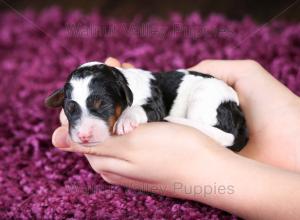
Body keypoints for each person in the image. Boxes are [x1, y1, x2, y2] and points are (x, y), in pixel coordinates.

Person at [52, 57, 300, 219]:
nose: (83, 131)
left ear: (123, 94)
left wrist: (205, 170)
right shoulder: (117, 89)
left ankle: (216, 135)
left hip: (214, 110)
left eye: (100, 106)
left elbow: (154, 109)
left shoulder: (142, 89)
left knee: (204, 94)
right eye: (73, 110)